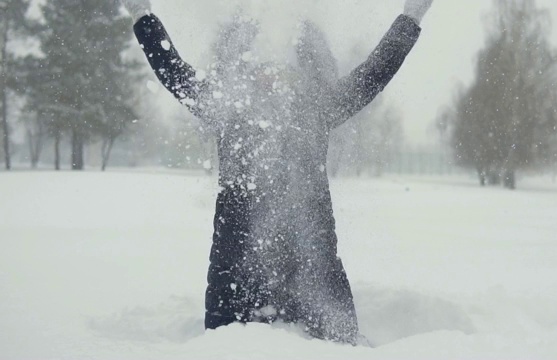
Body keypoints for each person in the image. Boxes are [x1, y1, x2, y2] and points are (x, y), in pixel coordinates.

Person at [120, 0, 434, 344]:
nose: (271, 72)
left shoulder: (317, 108)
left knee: (345, 347)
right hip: (235, 279)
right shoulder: (228, 107)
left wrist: (410, 17)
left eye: (282, 65)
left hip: (314, 274)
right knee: (223, 351)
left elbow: (374, 72)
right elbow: (173, 71)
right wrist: (142, 15)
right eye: (260, 64)